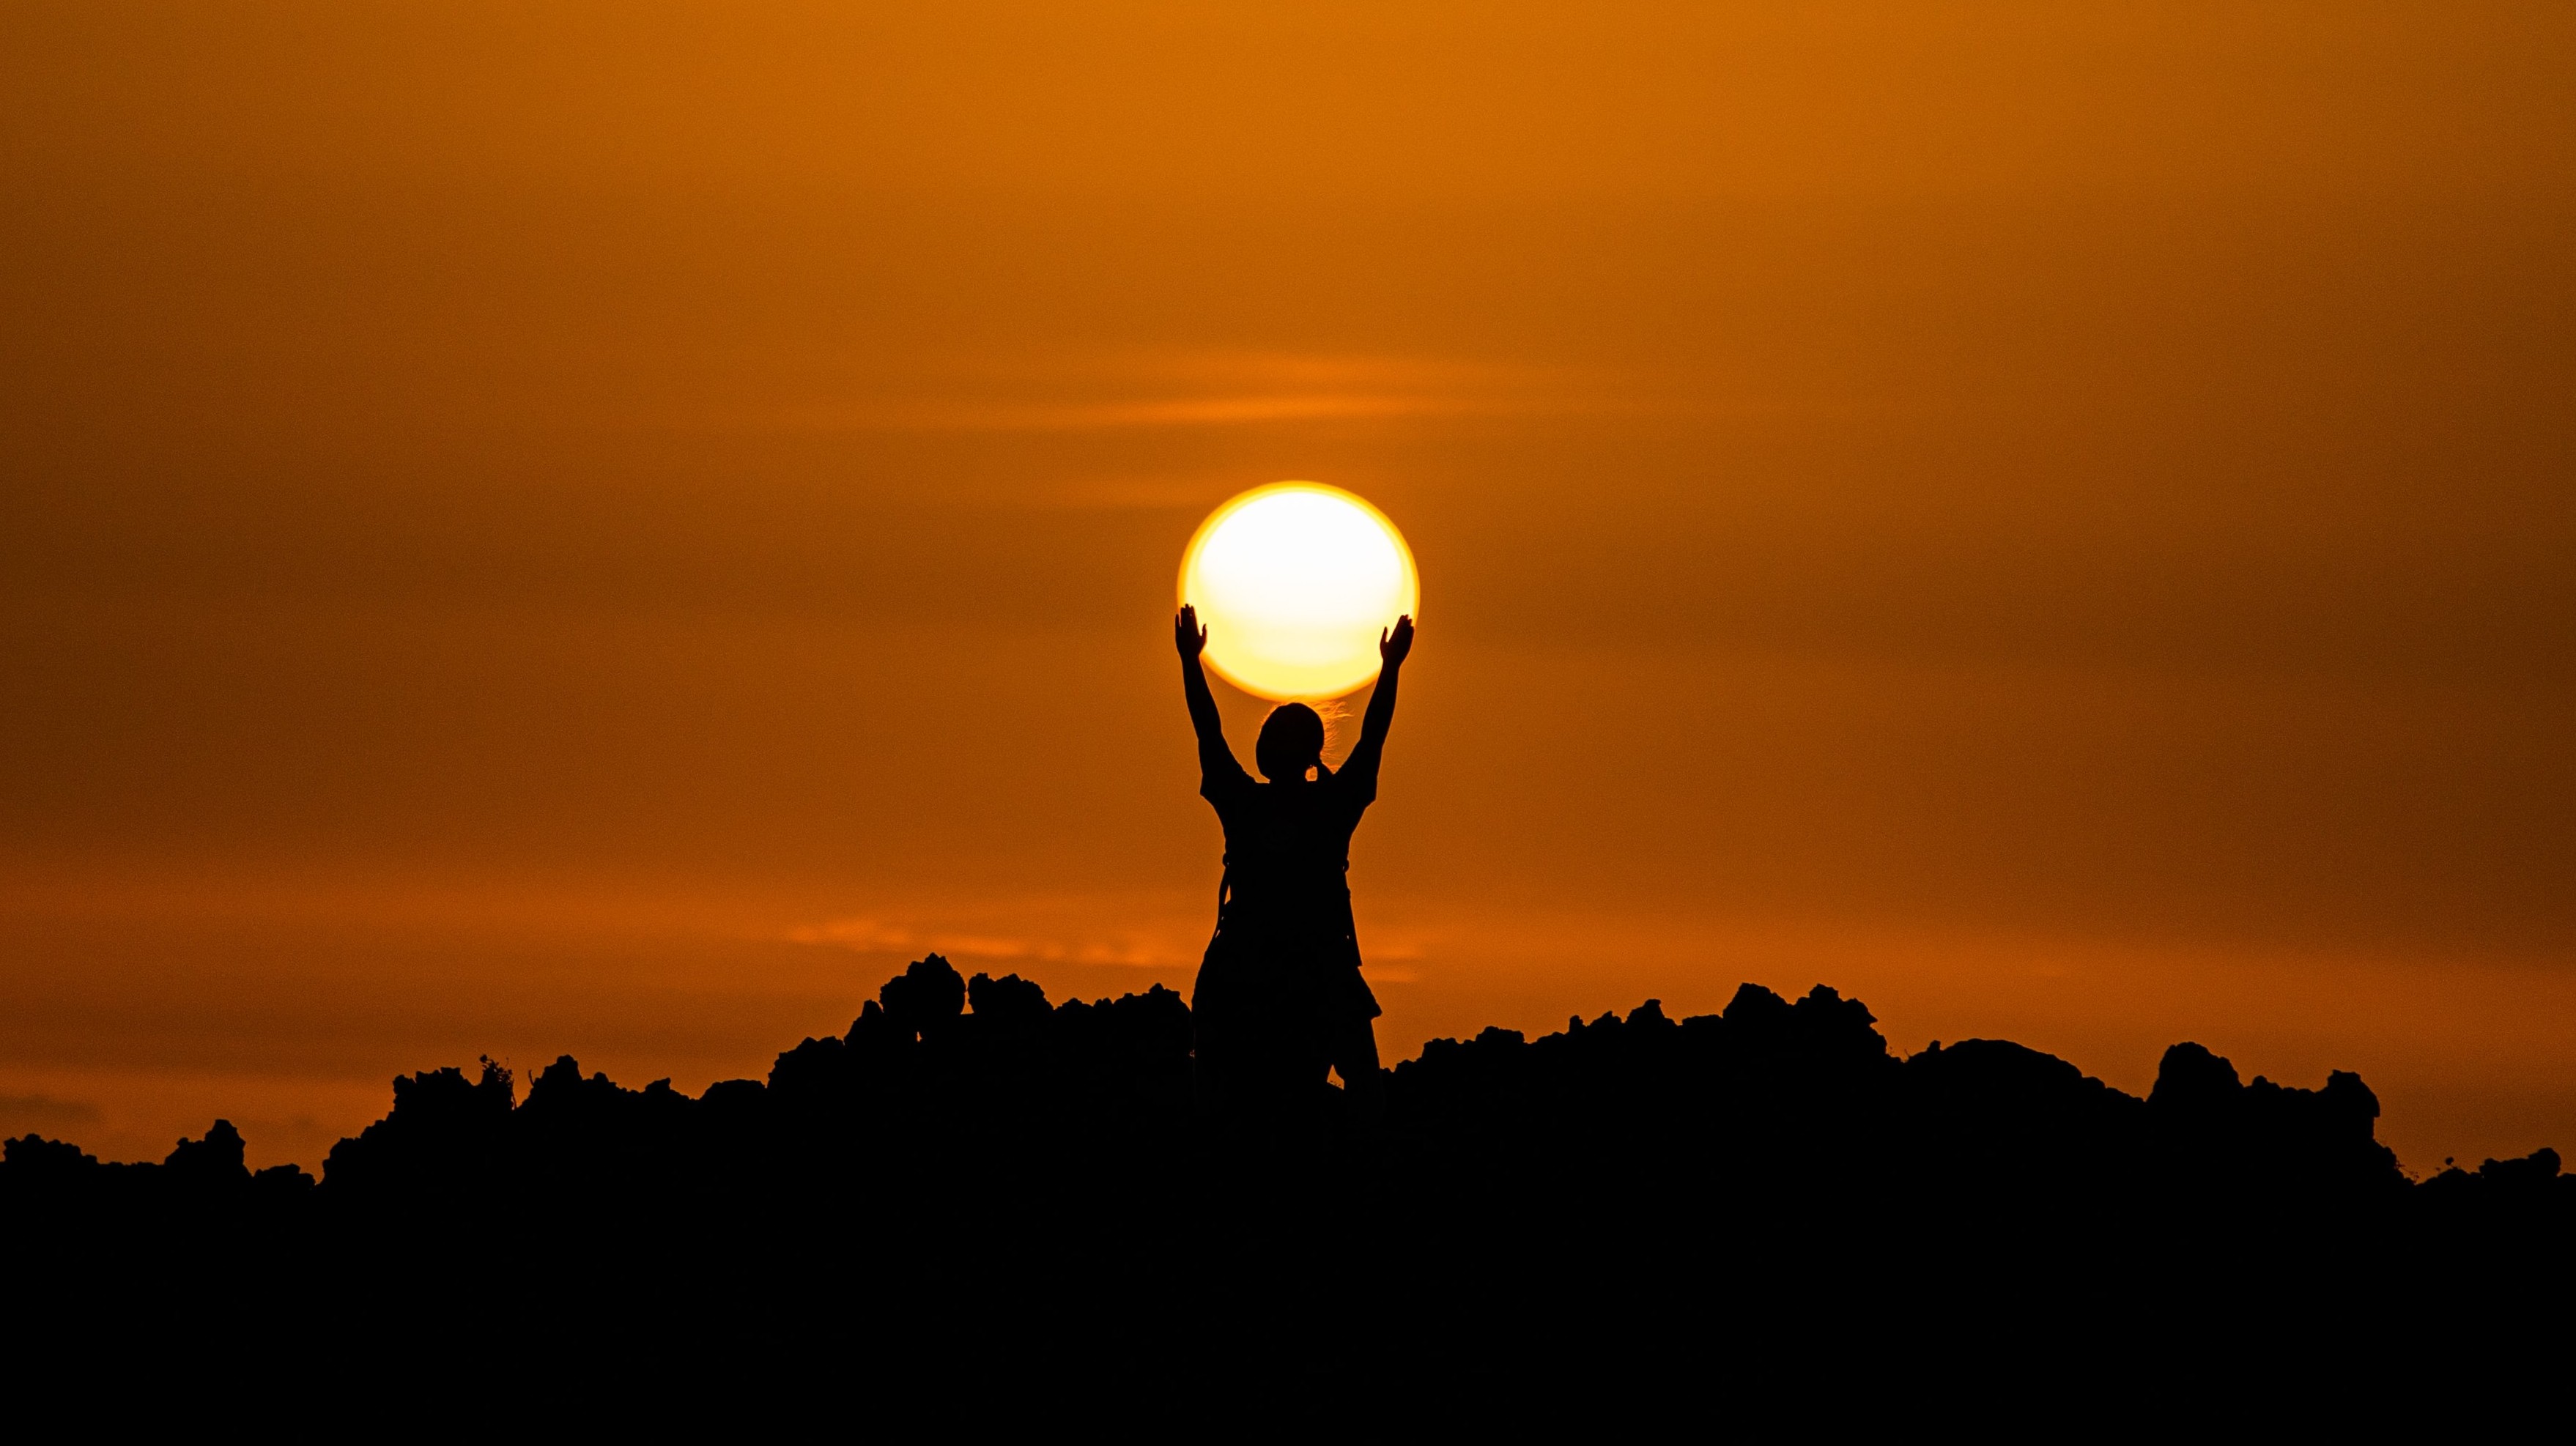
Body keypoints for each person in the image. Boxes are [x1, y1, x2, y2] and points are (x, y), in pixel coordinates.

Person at [1176, 604, 1413, 1117]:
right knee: (1364, 1093)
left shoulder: (1246, 802)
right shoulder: (1332, 804)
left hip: (1251, 967)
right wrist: (1391, 668)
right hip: (1315, 966)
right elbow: (1373, 738)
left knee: (1218, 1096)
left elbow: (1208, 732)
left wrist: (1190, 662)